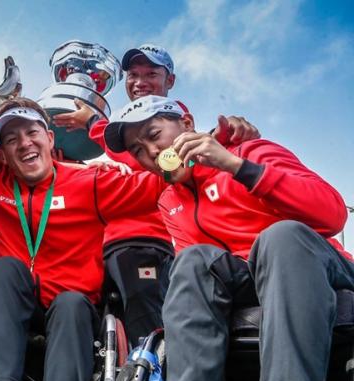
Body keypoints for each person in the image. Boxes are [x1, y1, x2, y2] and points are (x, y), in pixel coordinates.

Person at [99, 95, 354, 381]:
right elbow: (200, 280)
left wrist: (236, 166)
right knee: (189, 262)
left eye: (155, 135)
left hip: (312, 264)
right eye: (138, 150)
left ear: (186, 125)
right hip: (247, 282)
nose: (152, 153)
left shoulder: (252, 150)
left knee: (280, 237)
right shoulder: (171, 201)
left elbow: (331, 214)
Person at [0, 98, 167, 381]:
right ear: (1, 154)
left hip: (71, 310)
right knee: (6, 268)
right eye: (11, 139)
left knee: (72, 303)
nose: (24, 143)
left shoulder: (90, 182)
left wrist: (212, 142)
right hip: (13, 305)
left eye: (32, 132)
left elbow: (159, 182)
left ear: (50, 139)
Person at [53, 44, 259, 345]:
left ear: (170, 82)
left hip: (146, 243)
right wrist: (65, 166)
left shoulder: (176, 122)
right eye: (133, 75)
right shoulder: (125, 130)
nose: (140, 81)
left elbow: (166, 163)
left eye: (151, 73)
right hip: (105, 245)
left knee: (149, 330)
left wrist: (94, 123)